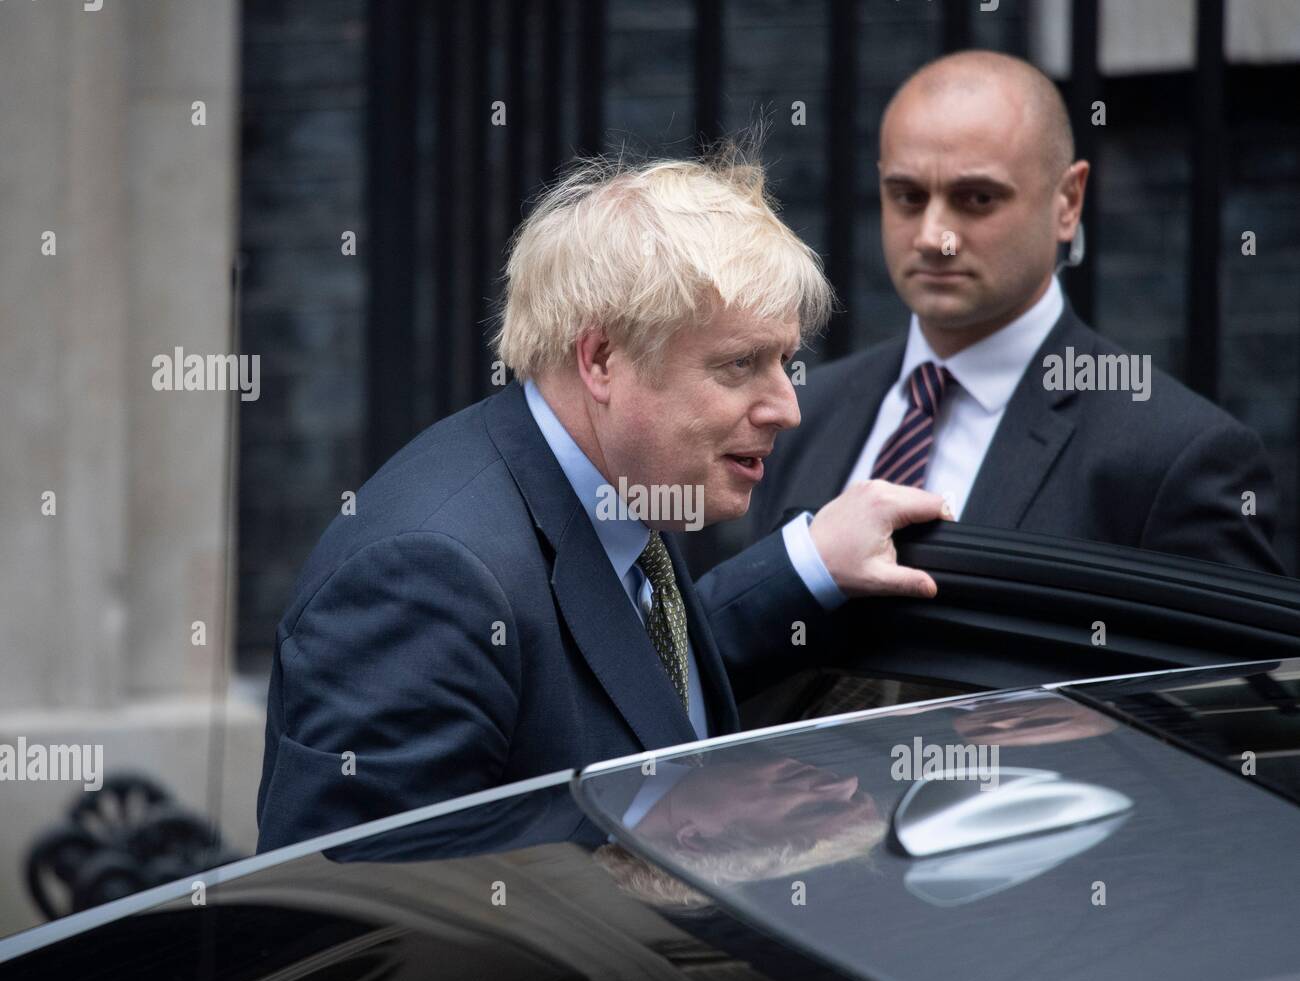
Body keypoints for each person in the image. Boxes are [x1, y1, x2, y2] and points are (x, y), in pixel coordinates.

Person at [256, 149, 950, 852]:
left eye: (783, 360)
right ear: (601, 361)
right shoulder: (429, 576)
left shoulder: (615, 478)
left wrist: (809, 565)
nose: (786, 407)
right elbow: (363, 903)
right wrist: (696, 820)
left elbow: (621, 686)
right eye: (740, 364)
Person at [745, 50, 1283, 575]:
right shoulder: (803, 416)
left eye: (977, 199)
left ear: (1068, 201)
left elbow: (1230, 666)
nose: (935, 238)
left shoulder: (1174, 455)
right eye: (907, 196)